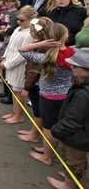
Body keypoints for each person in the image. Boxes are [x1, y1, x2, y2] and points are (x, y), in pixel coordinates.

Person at [20, 23, 75, 166]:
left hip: (48, 97)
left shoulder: (45, 57)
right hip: (66, 96)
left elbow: (22, 50)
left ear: (47, 38)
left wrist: (41, 43)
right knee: (59, 126)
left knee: (48, 128)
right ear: (66, 36)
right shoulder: (73, 54)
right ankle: (50, 151)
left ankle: (47, 156)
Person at [48, 47, 89, 189]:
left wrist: (56, 130)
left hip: (77, 138)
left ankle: (69, 184)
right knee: (78, 162)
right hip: (82, 137)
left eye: (75, 67)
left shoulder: (82, 94)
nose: (72, 68)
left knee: (73, 161)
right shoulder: (82, 86)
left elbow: (72, 121)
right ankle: (74, 178)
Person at [17, 17, 54, 142]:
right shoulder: (43, 44)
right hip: (39, 83)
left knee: (38, 111)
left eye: (32, 29)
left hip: (37, 84)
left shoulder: (42, 46)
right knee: (37, 110)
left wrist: (27, 87)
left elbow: (34, 70)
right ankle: (34, 131)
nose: (30, 31)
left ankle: (34, 135)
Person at [0, 6, 35, 124]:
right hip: (10, 63)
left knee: (18, 92)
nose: (19, 22)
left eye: (22, 20)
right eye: (18, 19)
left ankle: (19, 115)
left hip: (20, 67)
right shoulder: (17, 29)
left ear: (31, 19)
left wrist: (8, 64)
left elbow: (23, 54)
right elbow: (10, 45)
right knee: (13, 90)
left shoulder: (30, 34)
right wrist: (4, 57)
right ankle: (14, 112)